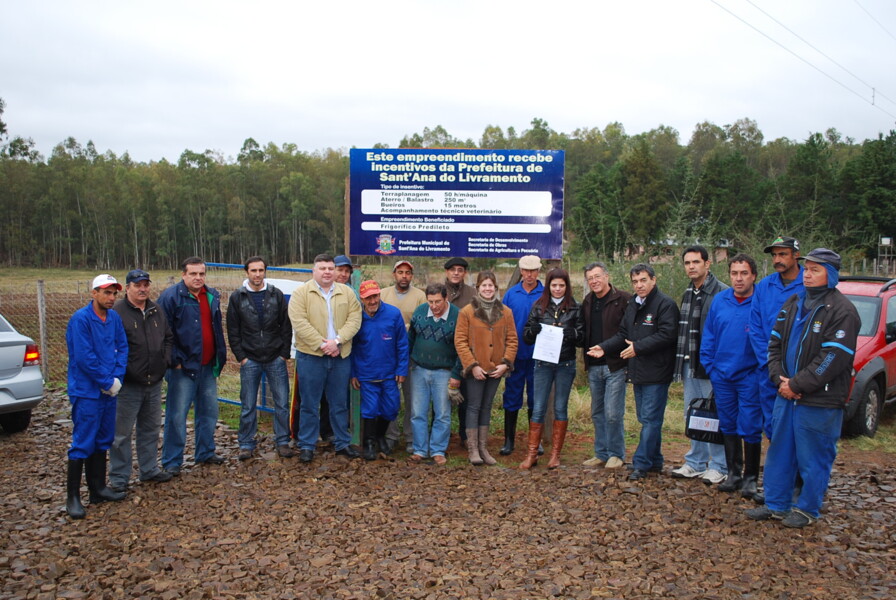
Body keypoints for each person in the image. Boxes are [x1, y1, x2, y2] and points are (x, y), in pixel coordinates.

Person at [746, 248, 859, 528]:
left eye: (815, 270)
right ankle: (776, 504)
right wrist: (780, 381)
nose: (807, 274)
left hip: (819, 400)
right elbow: (773, 345)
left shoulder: (843, 311)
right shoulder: (794, 302)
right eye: (806, 269)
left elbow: (832, 357)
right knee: (780, 452)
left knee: (814, 456)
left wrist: (797, 384)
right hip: (786, 396)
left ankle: (808, 509)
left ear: (830, 275)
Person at [589, 264, 679, 481]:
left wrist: (637, 347)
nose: (639, 285)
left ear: (653, 280)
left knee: (649, 419)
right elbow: (623, 334)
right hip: (638, 371)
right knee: (647, 418)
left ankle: (641, 463)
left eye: (643, 280)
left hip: (657, 371)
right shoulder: (633, 305)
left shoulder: (665, 304)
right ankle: (655, 460)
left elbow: (667, 334)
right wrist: (605, 347)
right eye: (635, 281)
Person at [65, 274, 129, 519]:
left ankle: (98, 488)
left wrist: (116, 379)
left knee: (104, 438)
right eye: (106, 292)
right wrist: (105, 381)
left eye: (114, 293)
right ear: (94, 293)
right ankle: (72, 497)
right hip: (87, 391)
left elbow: (121, 347)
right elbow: (84, 357)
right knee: (83, 440)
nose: (111, 298)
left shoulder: (113, 318)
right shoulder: (81, 320)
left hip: (109, 390)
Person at [288, 253, 363, 462]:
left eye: (331, 268)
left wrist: (337, 341)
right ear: (314, 270)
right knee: (309, 404)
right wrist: (323, 344)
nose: (327, 272)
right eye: (323, 268)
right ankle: (307, 445)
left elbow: (354, 319)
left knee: (339, 403)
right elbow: (299, 322)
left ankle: (342, 443)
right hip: (311, 356)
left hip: (340, 356)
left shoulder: (347, 293)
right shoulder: (301, 293)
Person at [158, 257, 229, 473]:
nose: (198, 278)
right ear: (183, 275)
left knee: (208, 412)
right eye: (193, 274)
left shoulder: (211, 295)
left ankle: (205, 451)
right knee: (177, 415)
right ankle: (172, 461)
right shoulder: (171, 297)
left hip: (207, 365)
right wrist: (175, 361)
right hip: (183, 368)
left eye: (201, 274)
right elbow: (163, 332)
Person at [749, 236, 805, 503]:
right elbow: (757, 327)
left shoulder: (809, 283)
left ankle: (802, 485)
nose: (777, 260)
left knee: (799, 430)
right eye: (774, 255)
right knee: (772, 428)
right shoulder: (764, 287)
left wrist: (795, 373)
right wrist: (771, 368)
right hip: (769, 373)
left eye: (783, 254)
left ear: (796, 255)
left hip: (799, 374)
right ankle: (777, 487)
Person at [700, 254, 762, 497]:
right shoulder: (721, 300)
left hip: (750, 376)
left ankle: (750, 478)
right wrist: (711, 367)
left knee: (750, 425)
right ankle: (733, 473)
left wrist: (760, 372)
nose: (739, 278)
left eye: (744, 273)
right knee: (728, 424)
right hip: (722, 375)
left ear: (753, 276)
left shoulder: (761, 301)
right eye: (735, 273)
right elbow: (710, 336)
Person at [108, 269, 173, 493]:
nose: (143, 289)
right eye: (138, 285)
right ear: (128, 288)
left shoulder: (156, 310)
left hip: (154, 381)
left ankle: (149, 469)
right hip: (128, 384)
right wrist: (124, 372)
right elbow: (112, 347)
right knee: (121, 433)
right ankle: (119, 477)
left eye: (146, 284)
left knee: (151, 428)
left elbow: (168, 338)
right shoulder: (117, 313)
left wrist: (164, 360)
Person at [671, 245, 729, 484]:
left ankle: (719, 465)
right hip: (689, 363)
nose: (691, 266)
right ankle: (695, 462)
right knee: (694, 413)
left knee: (715, 415)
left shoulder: (721, 293)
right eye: (687, 263)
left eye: (696, 262)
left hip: (711, 366)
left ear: (707, 264)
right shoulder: (688, 293)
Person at [227, 256, 294, 461]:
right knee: (248, 404)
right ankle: (246, 443)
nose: (257, 274)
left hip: (275, 357)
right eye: (253, 271)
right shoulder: (238, 297)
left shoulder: (276, 294)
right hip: (250, 359)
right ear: (246, 272)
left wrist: (283, 354)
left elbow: (286, 326)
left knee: (281, 403)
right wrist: (242, 356)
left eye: (261, 270)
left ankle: (282, 441)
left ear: (265, 271)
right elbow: (233, 329)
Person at [519, 268, 583, 470]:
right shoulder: (539, 306)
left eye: (561, 285)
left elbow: (582, 336)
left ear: (567, 286)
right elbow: (526, 335)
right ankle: (532, 454)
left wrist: (572, 333)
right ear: (548, 286)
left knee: (560, 407)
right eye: (554, 285)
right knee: (538, 408)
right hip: (542, 364)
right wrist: (533, 331)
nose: (557, 289)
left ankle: (555, 455)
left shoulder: (575, 307)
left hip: (565, 363)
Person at [454, 271, 518, 465]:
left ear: (495, 288)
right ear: (478, 288)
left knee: (486, 407)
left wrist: (505, 363)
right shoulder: (466, 312)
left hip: (496, 369)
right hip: (476, 370)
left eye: (491, 285)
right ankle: (472, 449)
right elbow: (460, 341)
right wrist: (472, 366)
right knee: (473, 406)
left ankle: (483, 447)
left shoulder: (506, 312)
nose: (488, 289)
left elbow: (512, 340)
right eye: (484, 285)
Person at [351, 280, 409, 460]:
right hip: (367, 373)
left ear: (379, 295)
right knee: (370, 409)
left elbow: (402, 343)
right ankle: (368, 442)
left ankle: (379, 435)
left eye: (375, 296)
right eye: (368, 298)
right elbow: (351, 347)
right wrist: (353, 373)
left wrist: (402, 369)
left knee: (391, 407)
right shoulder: (356, 317)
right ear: (362, 298)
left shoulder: (393, 314)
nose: (372, 301)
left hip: (389, 372)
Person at [580, 262, 631, 469]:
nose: (594, 281)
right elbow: (583, 331)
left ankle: (616, 454)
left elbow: (626, 333)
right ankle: (601, 452)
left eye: (597, 276)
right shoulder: (588, 301)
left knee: (612, 413)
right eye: (590, 278)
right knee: (597, 412)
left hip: (615, 364)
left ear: (607, 276)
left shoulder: (623, 299)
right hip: (594, 365)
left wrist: (605, 347)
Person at [407, 283, 461, 465]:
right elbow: (411, 338)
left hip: (444, 371)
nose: (434, 306)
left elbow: (462, 347)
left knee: (443, 413)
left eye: (438, 301)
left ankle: (438, 450)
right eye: (430, 301)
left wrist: (456, 374)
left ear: (446, 299)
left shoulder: (457, 315)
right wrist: (408, 362)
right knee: (418, 412)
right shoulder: (420, 312)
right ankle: (420, 449)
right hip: (419, 369)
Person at [381, 260, 426, 453]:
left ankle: (410, 437)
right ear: (394, 274)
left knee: (412, 398)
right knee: (390, 397)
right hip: (386, 354)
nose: (404, 276)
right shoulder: (383, 294)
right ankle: (390, 435)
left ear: (412, 276)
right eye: (400, 272)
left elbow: (424, 322)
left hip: (411, 354)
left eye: (408, 273)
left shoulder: (420, 296)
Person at [500, 255, 543, 456]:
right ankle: (509, 440)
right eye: (526, 271)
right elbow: (502, 324)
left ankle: (536, 440)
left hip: (539, 354)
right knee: (512, 396)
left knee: (536, 397)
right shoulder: (511, 294)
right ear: (520, 271)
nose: (529, 275)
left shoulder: (546, 293)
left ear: (538, 271)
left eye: (533, 271)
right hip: (515, 355)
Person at [443, 257, 476, 445]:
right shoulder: (439, 291)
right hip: (443, 351)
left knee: (466, 396)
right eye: (453, 269)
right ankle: (442, 436)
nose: (456, 273)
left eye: (460, 270)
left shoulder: (472, 293)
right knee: (441, 399)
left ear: (464, 273)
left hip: (465, 352)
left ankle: (464, 436)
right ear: (447, 272)